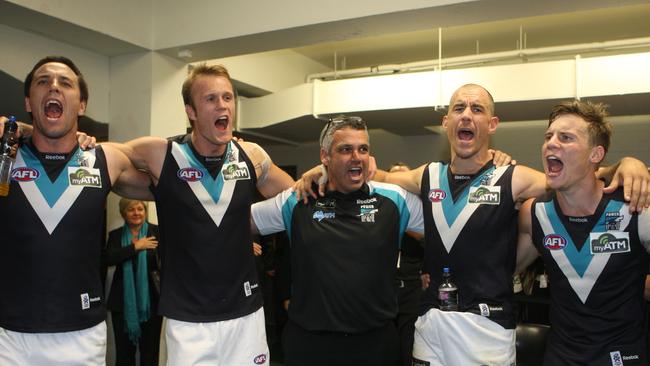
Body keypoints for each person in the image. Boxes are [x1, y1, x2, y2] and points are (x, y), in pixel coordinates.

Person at [296, 84, 650, 365]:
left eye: (477, 109)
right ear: (446, 123)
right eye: (458, 109)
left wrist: (626, 165)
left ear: (491, 125)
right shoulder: (427, 175)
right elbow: (372, 175)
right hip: (432, 325)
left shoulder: (514, 177)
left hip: (488, 329)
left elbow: (573, 180)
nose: (467, 115)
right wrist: (323, 169)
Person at [105, 63, 295, 365]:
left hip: (246, 315)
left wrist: (315, 181)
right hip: (188, 321)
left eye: (228, 97)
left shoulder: (252, 156)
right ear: (190, 111)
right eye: (210, 99)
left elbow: (296, 198)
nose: (223, 105)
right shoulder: (161, 154)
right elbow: (101, 160)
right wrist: (29, 134)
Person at [0, 56, 152, 365]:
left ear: (81, 105)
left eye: (65, 83)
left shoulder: (104, 159)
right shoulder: (7, 157)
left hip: (82, 334)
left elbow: (173, 181)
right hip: (11, 336)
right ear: (29, 101)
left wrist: (221, 148)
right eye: (43, 82)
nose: (53, 86)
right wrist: (25, 131)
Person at [251, 116, 424, 366]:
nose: (356, 156)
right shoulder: (299, 198)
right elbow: (238, 224)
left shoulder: (395, 200)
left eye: (363, 149)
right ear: (325, 156)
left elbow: (444, 221)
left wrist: (485, 164)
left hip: (375, 346)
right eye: (345, 149)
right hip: (310, 346)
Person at [516, 100, 650, 365]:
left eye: (565, 138)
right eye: (548, 136)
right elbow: (498, 271)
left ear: (595, 154)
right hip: (561, 357)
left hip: (622, 356)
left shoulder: (636, 210)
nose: (551, 143)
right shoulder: (535, 215)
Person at [104, 199, 162, 366]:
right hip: (122, 304)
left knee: (150, 354)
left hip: (151, 303)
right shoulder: (115, 236)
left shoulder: (156, 232)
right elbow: (108, 259)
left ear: (145, 211)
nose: (136, 213)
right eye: (131, 209)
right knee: (124, 354)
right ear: (123, 213)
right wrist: (135, 247)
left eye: (140, 209)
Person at [389, 162, 426, 366]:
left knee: (408, 343)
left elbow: (433, 243)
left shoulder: (420, 211)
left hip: (412, 286)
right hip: (385, 286)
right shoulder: (381, 209)